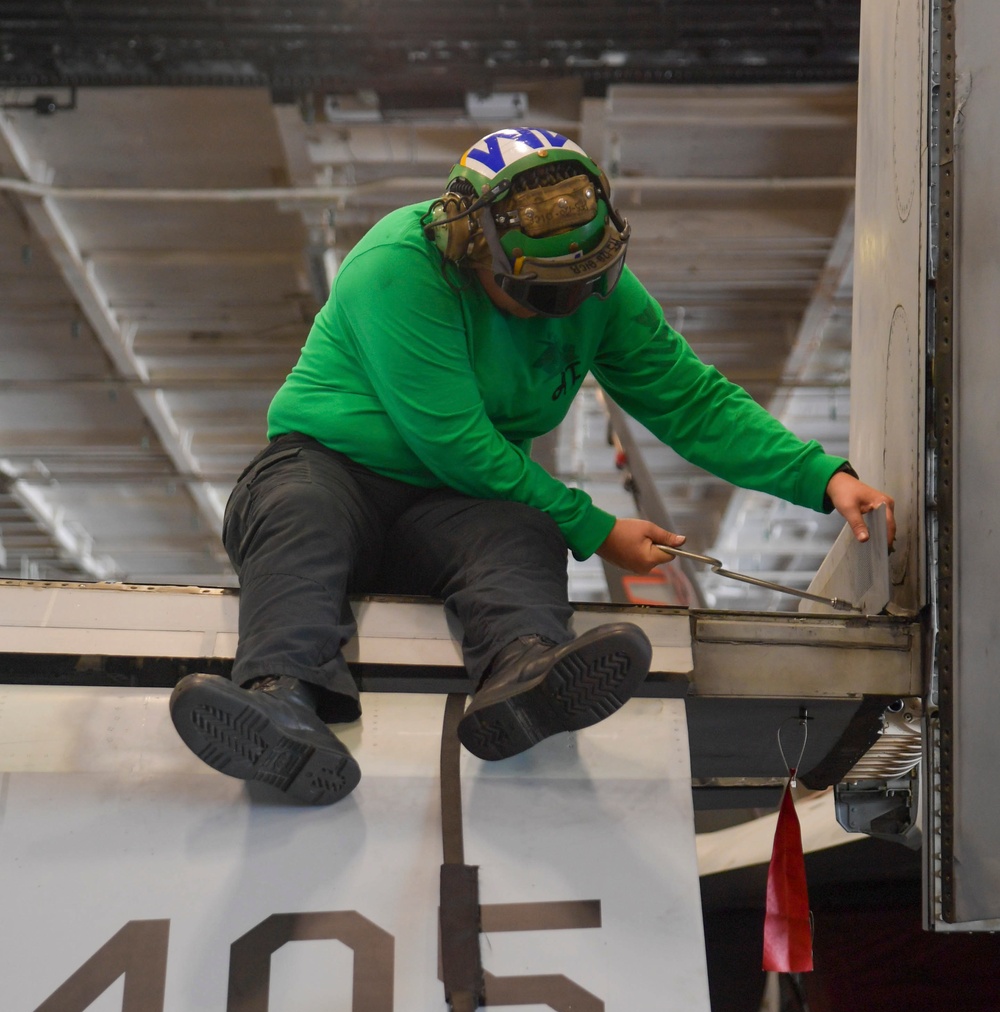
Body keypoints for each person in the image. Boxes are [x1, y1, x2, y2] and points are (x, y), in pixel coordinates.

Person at [169, 126, 895, 805]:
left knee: (518, 532)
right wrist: (597, 526)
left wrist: (821, 477)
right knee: (304, 513)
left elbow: (691, 399)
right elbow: (453, 440)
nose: (566, 309)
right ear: (469, 244)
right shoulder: (397, 266)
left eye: (583, 286)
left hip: (451, 505)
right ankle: (279, 704)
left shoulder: (589, 284)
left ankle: (523, 674)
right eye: (543, 292)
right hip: (332, 468)